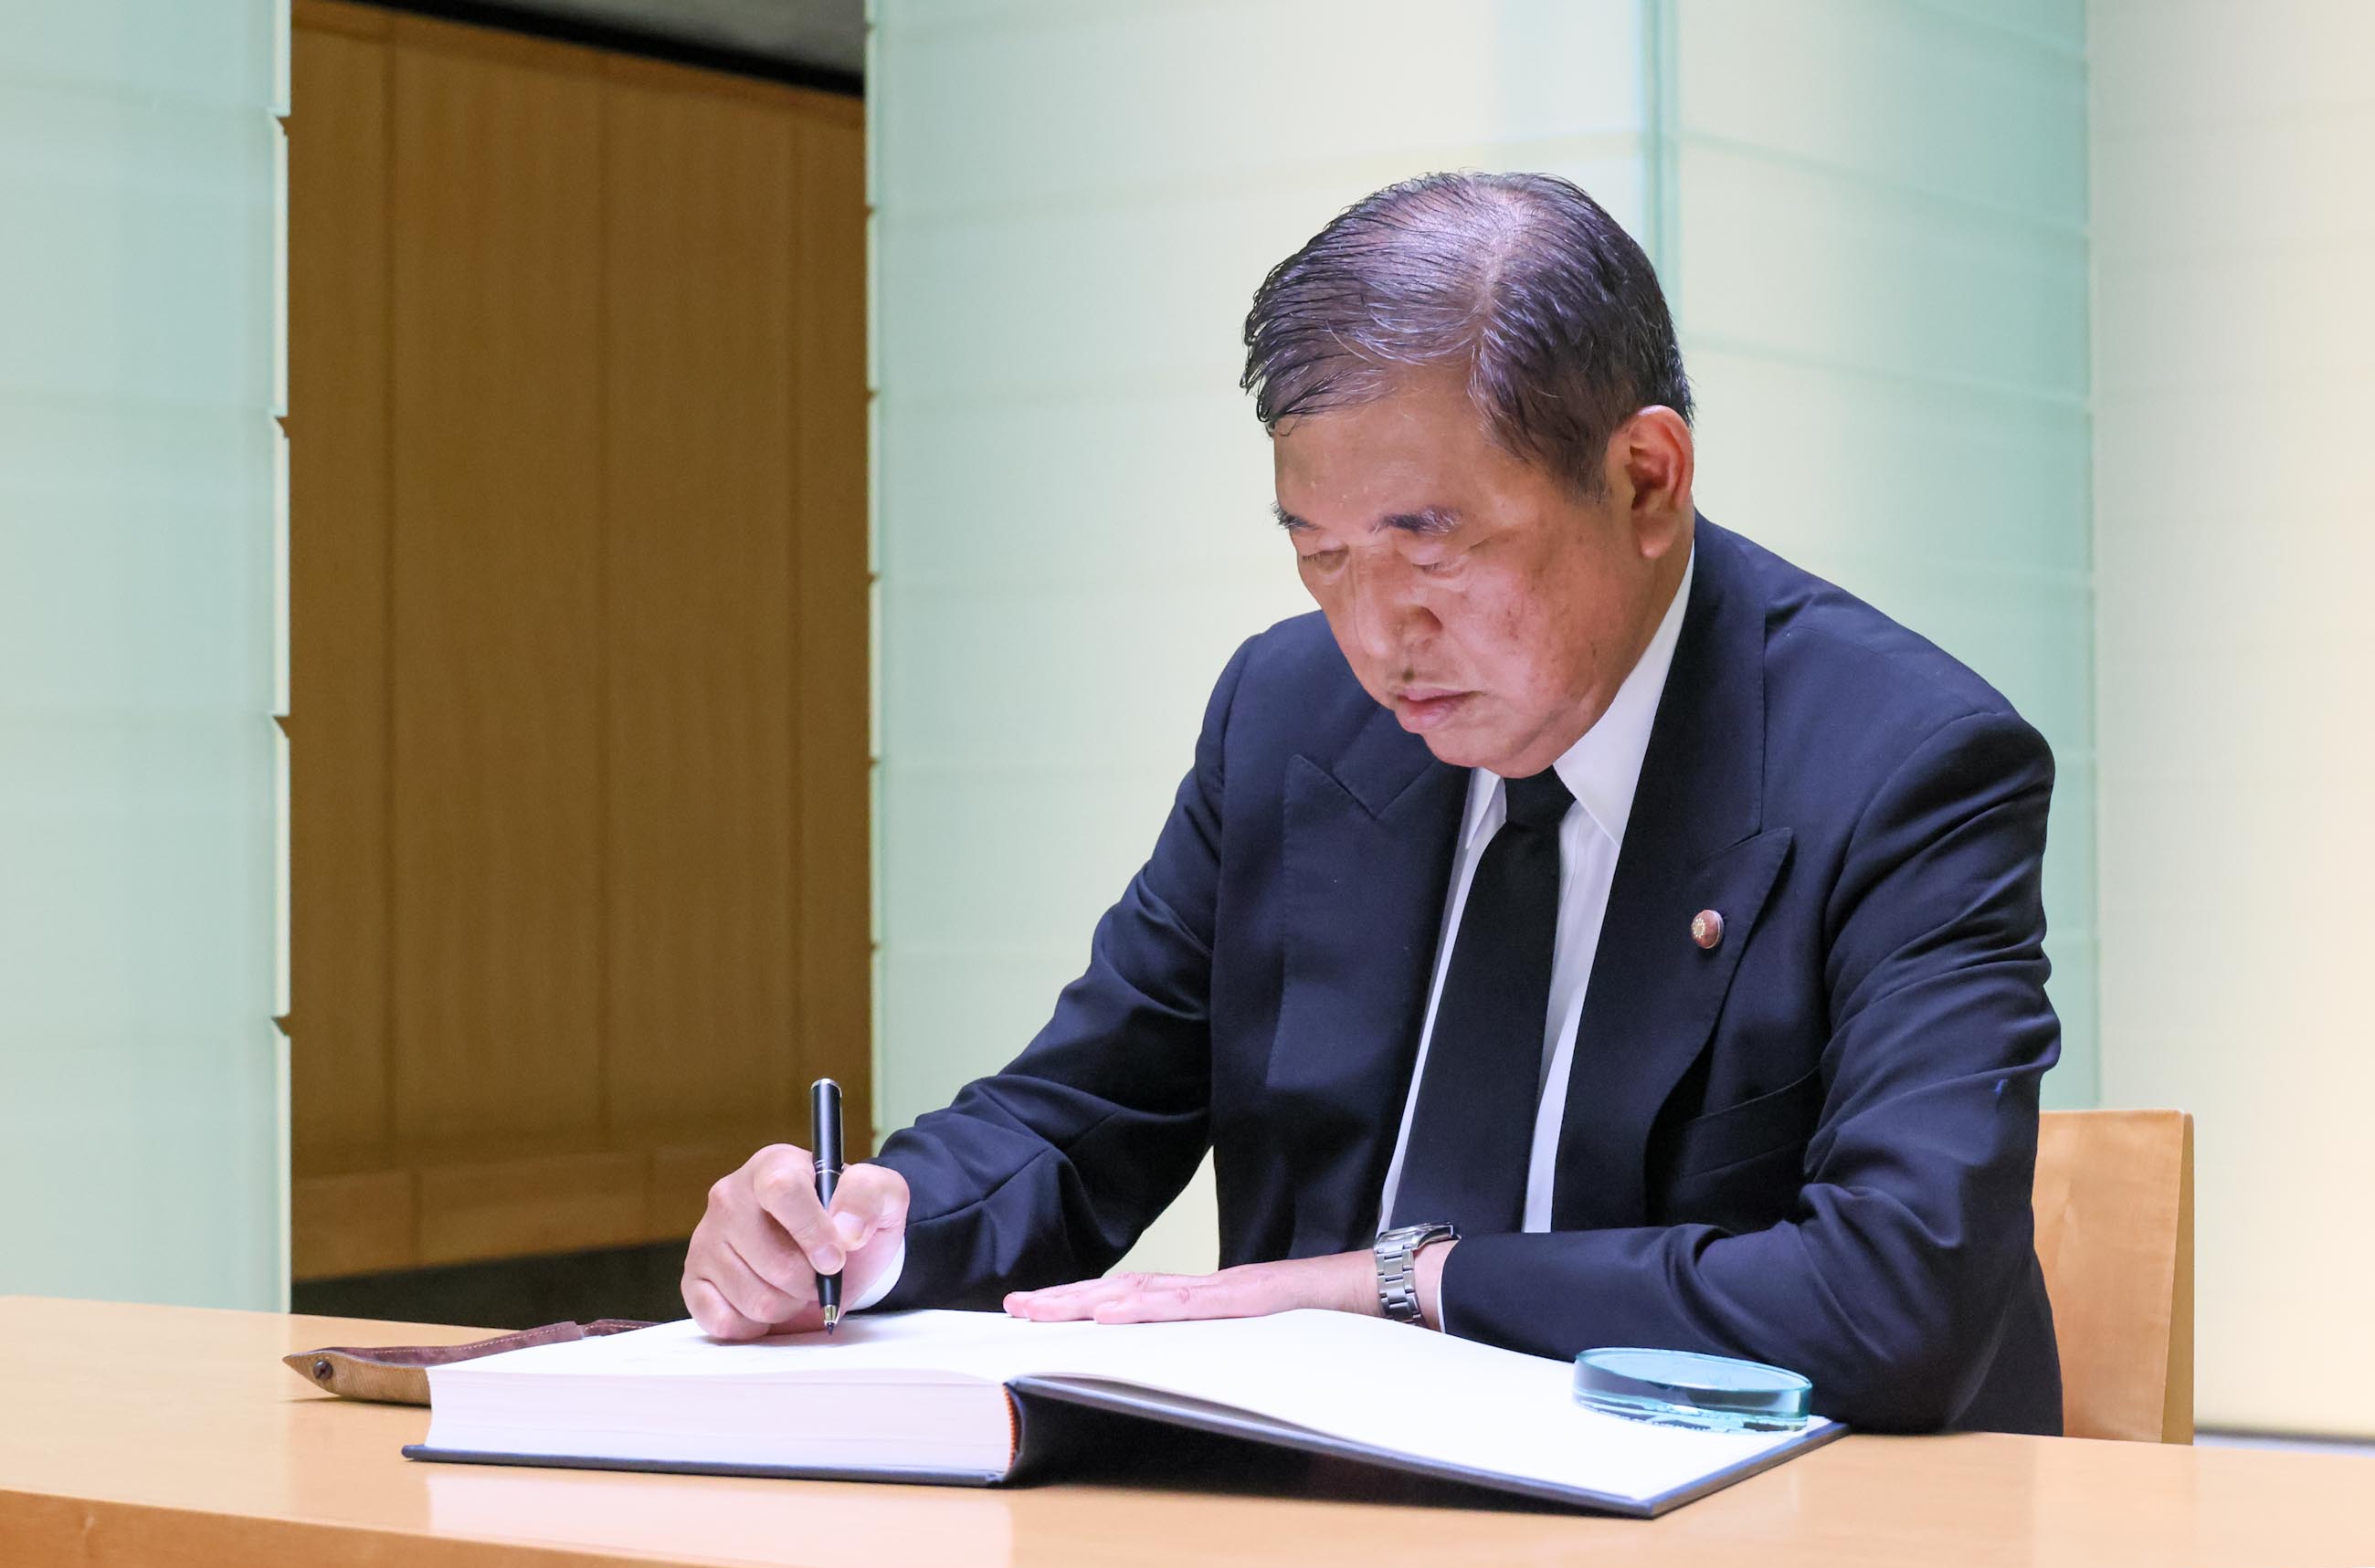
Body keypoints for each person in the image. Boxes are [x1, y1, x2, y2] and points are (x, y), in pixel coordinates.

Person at [681, 172, 2063, 1434]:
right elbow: (1076, 1118)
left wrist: (1401, 1282)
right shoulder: (1290, 720)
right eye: (1321, 557)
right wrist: (874, 1227)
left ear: (1646, 479)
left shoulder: (1904, 763)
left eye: (1431, 546)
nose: (1375, 637)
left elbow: (1897, 1294)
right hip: (1330, 1515)